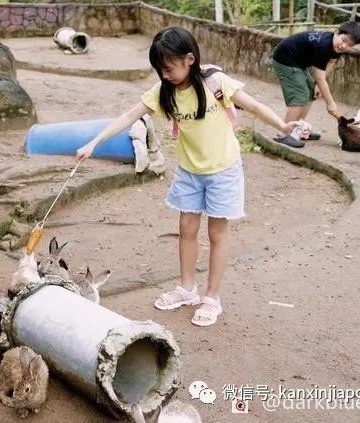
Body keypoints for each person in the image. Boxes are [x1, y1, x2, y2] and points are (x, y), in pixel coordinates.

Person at [75, 26, 304, 327]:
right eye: (160, 70)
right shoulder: (163, 92)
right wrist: (94, 143)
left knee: (217, 233)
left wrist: (282, 126)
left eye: (168, 68)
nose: (165, 75)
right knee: (186, 228)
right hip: (190, 170)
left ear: (190, 59)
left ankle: (212, 298)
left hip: (223, 170)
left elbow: (255, 105)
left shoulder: (216, 82)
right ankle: (187, 289)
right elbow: (128, 117)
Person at [272, 21, 360, 148]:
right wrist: (331, 103)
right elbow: (321, 79)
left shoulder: (336, 46)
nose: (344, 46)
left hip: (298, 62)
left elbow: (331, 62)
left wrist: (316, 85)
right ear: (337, 33)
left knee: (310, 92)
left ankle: (298, 130)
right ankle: (283, 134)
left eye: (350, 45)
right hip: (285, 59)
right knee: (300, 96)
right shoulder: (323, 46)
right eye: (343, 40)